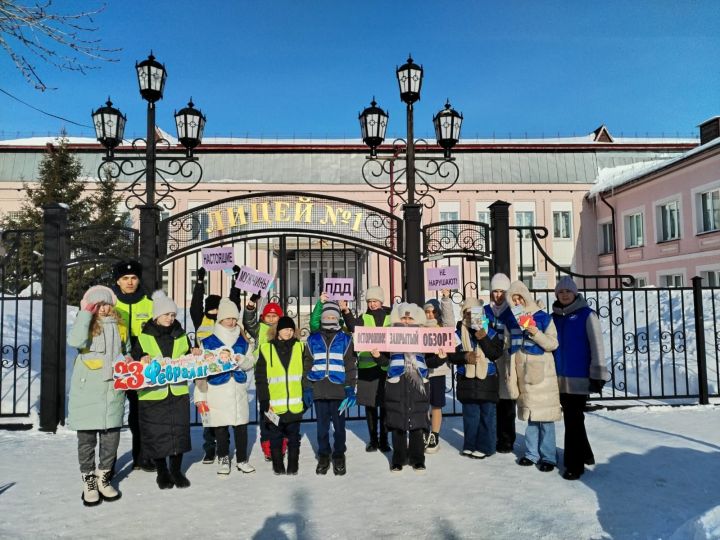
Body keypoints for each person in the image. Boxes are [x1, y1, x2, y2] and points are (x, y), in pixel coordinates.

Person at [132, 290, 200, 489]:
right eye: (166, 315)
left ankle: (176, 470)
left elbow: (187, 357)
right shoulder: (143, 337)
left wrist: (193, 352)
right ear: (156, 316)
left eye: (173, 315)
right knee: (157, 433)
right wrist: (141, 359)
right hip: (153, 395)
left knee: (178, 432)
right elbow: (134, 361)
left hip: (177, 392)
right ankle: (162, 471)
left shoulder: (180, 335)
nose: (170, 319)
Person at [67, 286, 124, 506]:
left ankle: (103, 477)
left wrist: (127, 359)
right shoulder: (86, 325)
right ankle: (89, 480)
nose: (103, 308)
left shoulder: (120, 326)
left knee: (111, 440)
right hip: (87, 391)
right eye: (97, 304)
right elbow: (75, 342)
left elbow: (125, 349)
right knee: (87, 441)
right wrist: (85, 313)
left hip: (112, 391)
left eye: (106, 303)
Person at [374, 303, 447, 472]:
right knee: (398, 422)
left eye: (410, 318)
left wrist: (440, 358)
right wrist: (377, 357)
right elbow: (387, 361)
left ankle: (417, 458)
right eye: (403, 318)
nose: (406, 321)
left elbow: (429, 362)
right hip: (396, 384)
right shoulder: (390, 336)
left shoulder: (424, 336)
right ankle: (398, 459)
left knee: (418, 422)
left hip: (417, 385)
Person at [551, 276, 609, 481]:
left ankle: (574, 464)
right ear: (557, 294)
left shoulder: (587, 315)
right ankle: (585, 454)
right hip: (558, 379)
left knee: (573, 420)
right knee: (574, 419)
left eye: (568, 291)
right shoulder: (554, 317)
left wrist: (598, 373)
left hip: (579, 378)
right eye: (561, 292)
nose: (565, 295)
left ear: (575, 293)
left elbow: (597, 345)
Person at [194, 298, 256, 476]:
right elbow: (201, 372)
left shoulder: (243, 341)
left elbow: (250, 363)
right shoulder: (208, 342)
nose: (232, 322)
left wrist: (241, 360)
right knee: (220, 427)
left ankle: (242, 459)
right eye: (228, 318)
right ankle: (223, 458)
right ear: (220, 319)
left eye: (234, 318)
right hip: (217, 389)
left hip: (237, 388)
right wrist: (200, 397)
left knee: (241, 426)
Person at [506, 280, 561, 472]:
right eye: (513, 299)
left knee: (545, 418)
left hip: (542, 375)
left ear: (526, 296)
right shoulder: (512, 319)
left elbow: (552, 344)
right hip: (523, 374)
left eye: (520, 297)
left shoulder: (543, 317)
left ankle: (548, 457)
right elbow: (509, 345)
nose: (518, 301)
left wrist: (535, 332)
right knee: (530, 417)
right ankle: (531, 454)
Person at [189, 265, 242, 465]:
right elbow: (195, 303)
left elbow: (234, 301)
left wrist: (236, 280)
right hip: (203, 374)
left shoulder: (226, 322)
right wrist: (200, 281)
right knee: (206, 411)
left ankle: (223, 447)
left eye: (218, 309)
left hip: (223, 373)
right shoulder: (199, 318)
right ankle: (209, 448)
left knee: (224, 410)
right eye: (212, 308)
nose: (215, 312)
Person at [303, 301, 357, 476]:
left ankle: (339, 454)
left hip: (339, 389)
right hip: (319, 388)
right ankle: (324, 454)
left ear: (338, 318)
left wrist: (350, 388)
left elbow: (350, 365)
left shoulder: (346, 339)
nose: (330, 319)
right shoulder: (313, 339)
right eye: (327, 316)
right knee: (322, 427)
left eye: (333, 316)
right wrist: (307, 387)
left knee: (340, 427)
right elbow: (307, 364)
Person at [111, 259, 155, 472]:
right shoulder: (109, 303)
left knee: (140, 410)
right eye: (125, 278)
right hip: (115, 361)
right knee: (112, 410)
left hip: (141, 361)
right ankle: (107, 463)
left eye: (134, 278)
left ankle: (141, 456)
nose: (129, 282)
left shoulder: (149, 302)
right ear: (118, 281)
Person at [448, 298, 504, 459]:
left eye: (474, 312)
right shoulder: (458, 332)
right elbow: (452, 355)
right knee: (470, 416)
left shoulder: (490, 330)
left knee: (487, 415)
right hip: (467, 379)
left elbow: (495, 353)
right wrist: (465, 356)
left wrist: (482, 337)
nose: (470, 316)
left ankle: (486, 447)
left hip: (487, 378)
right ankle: (470, 445)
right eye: (467, 312)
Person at [341, 286, 392, 453]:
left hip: (385, 366)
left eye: (375, 301)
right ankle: (373, 440)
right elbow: (352, 327)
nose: (372, 304)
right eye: (369, 301)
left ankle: (384, 440)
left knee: (385, 405)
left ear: (381, 301)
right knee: (370, 406)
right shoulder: (364, 317)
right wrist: (346, 311)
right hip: (367, 368)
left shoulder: (391, 317)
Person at [255, 316, 307, 475]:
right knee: (275, 437)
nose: (288, 332)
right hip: (274, 405)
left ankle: (293, 467)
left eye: (291, 329)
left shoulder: (300, 348)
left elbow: (305, 374)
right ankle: (278, 466)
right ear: (278, 330)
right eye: (285, 329)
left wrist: (306, 397)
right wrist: (264, 399)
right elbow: (261, 378)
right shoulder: (266, 349)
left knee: (294, 438)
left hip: (295, 403)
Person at [243, 296, 285, 462]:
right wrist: (251, 305)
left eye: (275, 316)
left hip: (282, 377)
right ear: (263, 317)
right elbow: (248, 321)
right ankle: (268, 446)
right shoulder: (259, 328)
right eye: (269, 316)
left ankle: (281, 444)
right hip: (264, 377)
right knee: (267, 412)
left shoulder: (285, 329)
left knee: (282, 411)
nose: (272, 319)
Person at [485, 273, 518, 454]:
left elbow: (528, 327)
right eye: (495, 291)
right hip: (490, 360)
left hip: (507, 361)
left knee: (506, 403)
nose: (498, 295)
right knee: (492, 402)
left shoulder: (514, 311)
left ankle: (506, 439)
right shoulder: (484, 310)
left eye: (501, 291)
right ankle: (492, 436)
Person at [422, 289, 455, 453]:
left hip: (438, 371)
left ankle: (434, 434)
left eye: (433, 311)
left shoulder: (443, 326)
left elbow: (449, 321)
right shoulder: (419, 327)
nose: (430, 314)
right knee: (421, 404)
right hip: (421, 371)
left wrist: (446, 299)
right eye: (427, 311)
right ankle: (423, 432)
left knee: (436, 405)